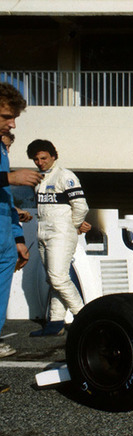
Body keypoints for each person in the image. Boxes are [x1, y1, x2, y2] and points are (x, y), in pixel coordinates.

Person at [26, 139, 90, 337]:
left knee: (58, 277)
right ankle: (55, 322)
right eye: (36, 159)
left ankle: (84, 318)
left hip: (61, 232)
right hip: (43, 231)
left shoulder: (65, 175)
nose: (40, 162)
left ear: (54, 156)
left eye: (44, 158)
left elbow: (81, 206)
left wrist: (76, 224)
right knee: (53, 278)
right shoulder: (39, 180)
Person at [0, 82, 42, 366]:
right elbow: (5, 185)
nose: (13, 124)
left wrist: (17, 238)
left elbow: (3, 198)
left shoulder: (2, 148)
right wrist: (10, 178)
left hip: (3, 238)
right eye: (6, 116)